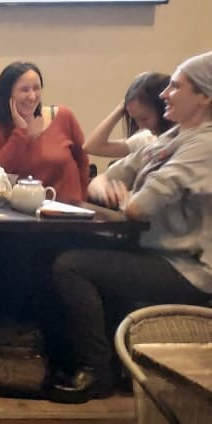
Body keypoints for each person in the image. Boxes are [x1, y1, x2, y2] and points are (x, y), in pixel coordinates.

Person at [51, 51, 212, 402]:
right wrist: (108, 188)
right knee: (57, 250)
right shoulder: (173, 137)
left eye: (175, 86)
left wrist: (124, 198)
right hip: (154, 251)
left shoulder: (204, 145)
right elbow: (102, 178)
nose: (165, 93)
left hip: (188, 268)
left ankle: (97, 371)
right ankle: (67, 357)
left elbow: (140, 207)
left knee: (71, 267)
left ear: (204, 96)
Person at [0, 61, 90, 203]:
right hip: (19, 210)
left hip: (68, 209)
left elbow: (83, 161)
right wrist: (20, 132)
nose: (32, 96)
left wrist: (82, 200)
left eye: (37, 88)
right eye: (24, 90)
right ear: (7, 94)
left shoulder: (63, 116)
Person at [83, 72, 174, 158]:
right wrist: (121, 108)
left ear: (163, 109)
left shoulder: (179, 140)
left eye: (144, 119)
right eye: (135, 119)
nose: (141, 127)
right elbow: (92, 147)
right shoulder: (145, 139)